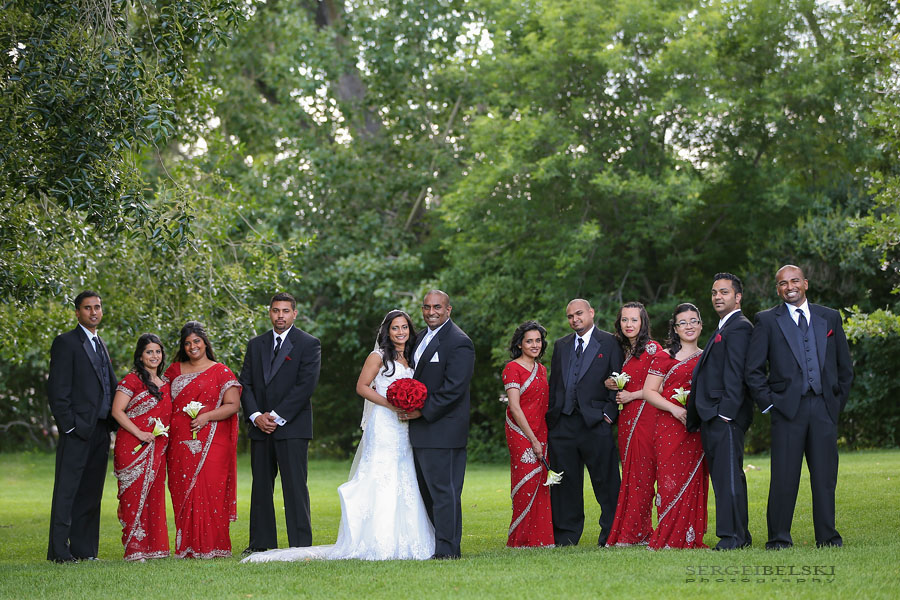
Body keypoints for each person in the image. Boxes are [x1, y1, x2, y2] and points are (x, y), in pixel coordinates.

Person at [243, 310, 434, 562]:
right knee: (381, 475)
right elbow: (361, 387)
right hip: (385, 423)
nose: (400, 332)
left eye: (404, 327)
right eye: (395, 328)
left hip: (405, 425)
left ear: (410, 330)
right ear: (387, 332)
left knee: (405, 477)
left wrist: (411, 406)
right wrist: (392, 404)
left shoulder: (414, 357)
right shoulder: (378, 356)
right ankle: (376, 538)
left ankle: (409, 539)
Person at [745, 265, 853, 549]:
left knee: (825, 478)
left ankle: (828, 538)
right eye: (782, 283)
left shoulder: (829, 317)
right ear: (777, 289)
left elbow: (845, 368)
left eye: (794, 281)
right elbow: (753, 371)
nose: (789, 286)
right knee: (783, 478)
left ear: (805, 283)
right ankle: (779, 538)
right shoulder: (767, 320)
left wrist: (835, 405)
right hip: (786, 410)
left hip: (823, 409)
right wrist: (769, 405)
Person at [239, 293, 321, 555]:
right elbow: (246, 384)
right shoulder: (256, 344)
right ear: (270, 313)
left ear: (294, 313)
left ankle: (300, 545)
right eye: (276, 311)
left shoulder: (309, 344)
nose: (280, 316)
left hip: (292, 427)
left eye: (286, 311)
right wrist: (255, 416)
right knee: (261, 487)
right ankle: (260, 544)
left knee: (295, 487)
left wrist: (275, 416)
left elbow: (305, 385)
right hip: (259, 427)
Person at [402, 290, 475, 559]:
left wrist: (422, 411)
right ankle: (434, 544)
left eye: (437, 307)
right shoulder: (420, 336)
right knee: (428, 492)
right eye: (426, 307)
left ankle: (447, 551)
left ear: (448, 310)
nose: (431, 312)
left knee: (445, 494)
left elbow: (454, 388)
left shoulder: (459, 342)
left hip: (444, 430)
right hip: (422, 432)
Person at [46, 290, 118, 563]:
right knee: (67, 492)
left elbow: (108, 386)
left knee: (91, 493)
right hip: (77, 431)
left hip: (100, 430)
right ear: (78, 312)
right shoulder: (66, 343)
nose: (93, 312)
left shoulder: (101, 344)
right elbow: (57, 391)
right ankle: (59, 552)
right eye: (87, 308)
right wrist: (69, 427)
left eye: (97, 307)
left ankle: (85, 550)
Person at [546, 299, 623, 547]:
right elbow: (556, 384)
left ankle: (610, 534)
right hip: (563, 425)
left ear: (591, 312)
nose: (574, 319)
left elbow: (619, 377)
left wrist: (608, 415)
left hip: (595, 424)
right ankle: (566, 537)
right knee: (565, 484)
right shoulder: (561, 346)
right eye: (569, 316)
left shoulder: (611, 342)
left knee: (606, 482)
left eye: (579, 314)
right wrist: (554, 418)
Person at [686, 273, 754, 551]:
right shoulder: (723, 327)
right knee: (726, 478)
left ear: (737, 297)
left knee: (728, 478)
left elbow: (737, 373)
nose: (717, 297)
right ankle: (739, 534)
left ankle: (733, 537)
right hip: (713, 416)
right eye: (714, 292)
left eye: (724, 292)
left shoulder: (740, 327)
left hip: (724, 417)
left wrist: (725, 413)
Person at [166, 321, 241, 559]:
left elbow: (233, 405)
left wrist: (206, 416)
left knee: (211, 490)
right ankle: (187, 547)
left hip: (213, 442)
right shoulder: (174, 371)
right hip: (179, 442)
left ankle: (214, 546)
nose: (192, 347)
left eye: (196, 341)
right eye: (187, 343)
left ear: (205, 342)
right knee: (182, 490)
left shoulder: (221, 371)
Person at [642, 303, 709, 549]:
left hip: (697, 428)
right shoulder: (664, 356)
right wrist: (674, 408)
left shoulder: (706, 356)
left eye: (693, 321)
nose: (689, 326)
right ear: (675, 328)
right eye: (683, 322)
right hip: (669, 426)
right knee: (670, 480)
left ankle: (691, 536)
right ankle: (669, 536)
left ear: (701, 324)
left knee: (694, 481)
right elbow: (649, 391)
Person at [604, 302, 663, 547]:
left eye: (634, 320)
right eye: (625, 320)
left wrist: (631, 395)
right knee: (630, 475)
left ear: (643, 323)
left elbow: (658, 386)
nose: (629, 325)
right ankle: (638, 530)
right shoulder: (624, 351)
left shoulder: (653, 349)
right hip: (627, 418)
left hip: (646, 416)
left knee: (643, 475)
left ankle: (634, 533)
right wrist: (613, 384)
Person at [111, 333, 172, 561]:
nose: (154, 356)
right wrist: (139, 433)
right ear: (140, 355)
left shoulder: (166, 384)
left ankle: (155, 549)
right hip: (132, 446)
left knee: (154, 496)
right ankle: (134, 550)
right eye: (149, 352)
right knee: (134, 497)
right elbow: (117, 411)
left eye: (157, 351)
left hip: (157, 448)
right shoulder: (131, 380)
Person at [502, 321, 554, 547]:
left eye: (538, 341)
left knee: (541, 482)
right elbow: (514, 407)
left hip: (541, 431)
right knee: (526, 482)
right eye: (529, 341)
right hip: (521, 432)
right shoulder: (512, 368)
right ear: (520, 344)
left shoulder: (541, 369)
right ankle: (521, 538)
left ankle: (540, 538)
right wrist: (532, 439)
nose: (534, 345)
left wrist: (540, 437)